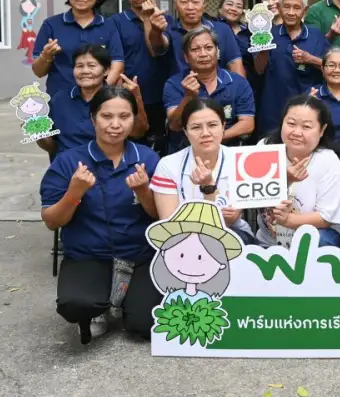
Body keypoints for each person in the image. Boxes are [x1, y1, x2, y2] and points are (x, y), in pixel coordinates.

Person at [39, 86, 160, 344]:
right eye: (106, 116)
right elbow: (52, 221)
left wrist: (143, 191)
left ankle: (122, 299)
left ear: (134, 119)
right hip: (88, 255)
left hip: (139, 256)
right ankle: (100, 304)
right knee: (77, 304)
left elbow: (161, 217)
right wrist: (74, 192)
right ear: (93, 119)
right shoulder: (68, 161)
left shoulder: (148, 159)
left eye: (124, 116)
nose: (115, 125)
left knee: (146, 324)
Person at [149, 98, 255, 244]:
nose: (205, 133)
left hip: (231, 235)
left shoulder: (241, 161)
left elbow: (226, 222)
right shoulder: (168, 165)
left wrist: (209, 188)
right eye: (196, 127)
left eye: (212, 125)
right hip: (182, 240)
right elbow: (169, 224)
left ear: (223, 126)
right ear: (185, 131)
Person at [256, 95, 340, 249]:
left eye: (306, 127)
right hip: (271, 239)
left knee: (316, 241)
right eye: (291, 123)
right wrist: (284, 180)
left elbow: (325, 218)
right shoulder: (265, 148)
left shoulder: (328, 161)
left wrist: (288, 220)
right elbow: (251, 196)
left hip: (320, 233)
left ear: (322, 130)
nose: (297, 132)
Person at [33, 0, 125, 97]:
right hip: (59, 99)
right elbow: (38, 72)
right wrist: (46, 55)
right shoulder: (51, 24)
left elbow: (117, 63)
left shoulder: (109, 26)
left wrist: (99, 93)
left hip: (98, 100)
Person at [45, 44, 148, 155]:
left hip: (108, 162)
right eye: (79, 66)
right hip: (68, 162)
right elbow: (51, 146)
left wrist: (136, 98)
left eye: (91, 66)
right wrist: (36, 132)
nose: (85, 71)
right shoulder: (59, 99)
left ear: (106, 71)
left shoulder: (117, 98)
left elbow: (138, 133)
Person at [163, 27, 255, 151]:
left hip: (227, 151)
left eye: (208, 48)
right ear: (186, 57)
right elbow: (174, 125)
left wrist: (213, 139)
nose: (203, 54)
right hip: (185, 151)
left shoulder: (238, 82)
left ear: (217, 52)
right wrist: (188, 97)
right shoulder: (174, 84)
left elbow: (247, 124)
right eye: (195, 49)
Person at [110, 0, 171, 148]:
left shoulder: (166, 20)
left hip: (160, 97)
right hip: (127, 96)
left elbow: (156, 51)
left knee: (158, 149)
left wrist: (147, 19)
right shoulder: (114, 22)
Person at [254, 0, 329, 136]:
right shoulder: (267, 34)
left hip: (306, 108)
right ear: (279, 8)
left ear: (305, 11)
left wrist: (310, 59)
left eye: (296, 8)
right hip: (272, 110)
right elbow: (259, 69)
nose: (291, 12)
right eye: (286, 7)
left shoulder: (316, 36)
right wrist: (263, 51)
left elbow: (330, 68)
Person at [166, 0, 246, 78]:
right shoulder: (168, 31)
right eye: (184, 2)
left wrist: (241, 87)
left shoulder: (222, 29)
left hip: (218, 87)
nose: (190, 7)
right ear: (175, 5)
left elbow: (235, 66)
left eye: (195, 2)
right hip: (179, 87)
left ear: (204, 4)